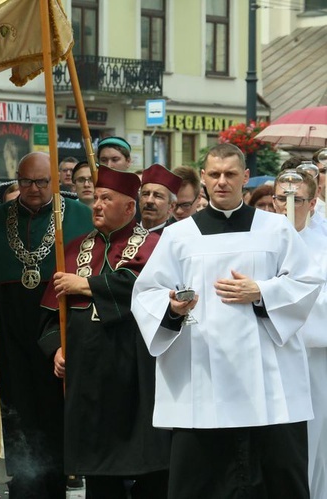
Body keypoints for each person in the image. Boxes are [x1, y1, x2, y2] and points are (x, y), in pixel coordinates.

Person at [131, 143, 322, 498]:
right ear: (203, 177)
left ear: (245, 178)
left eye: (231, 174)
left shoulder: (276, 230)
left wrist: (262, 292)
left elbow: (307, 283)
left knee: (277, 480)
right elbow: (146, 294)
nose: (222, 181)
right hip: (202, 377)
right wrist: (172, 308)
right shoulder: (177, 236)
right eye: (214, 174)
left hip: (268, 378)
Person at [40, 166, 170, 498]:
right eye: (95, 198)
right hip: (89, 377)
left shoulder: (156, 246)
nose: (96, 205)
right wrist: (57, 348)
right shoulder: (70, 249)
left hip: (137, 375)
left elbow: (148, 289)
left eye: (106, 198)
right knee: (99, 474)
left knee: (150, 467)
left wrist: (88, 284)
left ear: (130, 207)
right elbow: (52, 314)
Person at [0, 152, 93, 498]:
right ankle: (23, 484)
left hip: (59, 328)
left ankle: (61, 479)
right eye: (26, 181)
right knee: (18, 409)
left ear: (56, 182)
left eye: (42, 182)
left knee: (56, 411)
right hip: (12, 330)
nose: (34, 189)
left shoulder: (80, 216)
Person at [271, 172, 327, 497]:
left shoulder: (322, 245)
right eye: (281, 198)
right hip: (269, 360)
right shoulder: (259, 240)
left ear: (313, 202)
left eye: (297, 200)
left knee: (313, 448)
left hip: (311, 360)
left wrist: (278, 300)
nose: (287, 207)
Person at [139, 164, 182, 233]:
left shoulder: (175, 238)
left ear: (171, 206)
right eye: (145, 194)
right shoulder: (126, 234)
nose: (149, 201)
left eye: (158, 196)